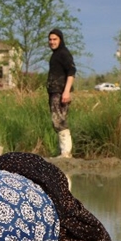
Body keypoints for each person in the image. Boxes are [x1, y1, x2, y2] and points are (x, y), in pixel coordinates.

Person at [47, 29, 76, 158]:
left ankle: (66, 152)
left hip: (60, 92)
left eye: (55, 39)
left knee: (58, 121)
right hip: (55, 92)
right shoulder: (56, 54)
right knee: (59, 120)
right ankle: (64, 152)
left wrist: (66, 92)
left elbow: (71, 72)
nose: (52, 42)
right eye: (50, 39)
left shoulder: (64, 53)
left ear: (60, 40)